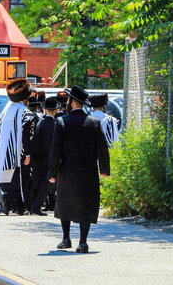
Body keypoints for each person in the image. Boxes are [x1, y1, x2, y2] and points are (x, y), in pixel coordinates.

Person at [48, 85, 110, 253]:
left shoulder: (62, 122)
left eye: (68, 99)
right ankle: (83, 242)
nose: (67, 102)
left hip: (67, 170)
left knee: (64, 204)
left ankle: (66, 238)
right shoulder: (94, 122)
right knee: (86, 204)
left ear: (73, 102)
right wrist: (104, 169)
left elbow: (56, 150)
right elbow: (102, 148)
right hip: (88, 171)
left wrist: (52, 173)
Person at [0, 79, 36, 216]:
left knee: (12, 180)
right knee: (22, 181)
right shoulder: (26, 113)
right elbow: (26, 135)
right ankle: (8, 199)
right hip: (20, 152)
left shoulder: (7, 112)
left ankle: (19, 207)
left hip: (6, 151)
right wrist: (28, 153)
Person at [29, 97, 60, 216]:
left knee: (39, 182)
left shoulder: (40, 123)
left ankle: (34, 206)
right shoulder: (55, 124)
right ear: (55, 110)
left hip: (38, 158)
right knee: (46, 184)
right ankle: (36, 207)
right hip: (49, 157)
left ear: (45, 109)